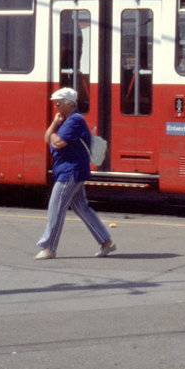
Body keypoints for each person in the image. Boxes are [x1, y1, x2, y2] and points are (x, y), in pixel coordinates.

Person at [34, 87, 117, 260]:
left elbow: (56, 142)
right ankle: (105, 242)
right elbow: (47, 137)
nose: (55, 105)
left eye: (59, 102)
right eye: (55, 101)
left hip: (70, 171)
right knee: (81, 208)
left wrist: (53, 128)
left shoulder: (75, 121)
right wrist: (54, 125)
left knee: (56, 207)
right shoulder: (66, 120)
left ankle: (49, 247)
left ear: (70, 104)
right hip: (70, 170)